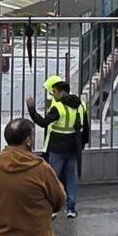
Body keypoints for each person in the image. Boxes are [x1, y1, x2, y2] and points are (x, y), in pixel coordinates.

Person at [29, 77, 89, 217]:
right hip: (74, 148)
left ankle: (53, 208)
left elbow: (43, 123)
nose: (52, 95)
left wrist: (31, 110)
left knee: (53, 178)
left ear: (62, 93)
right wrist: (82, 145)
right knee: (71, 178)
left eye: (54, 92)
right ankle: (71, 209)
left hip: (58, 148)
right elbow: (85, 128)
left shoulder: (58, 107)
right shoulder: (81, 105)